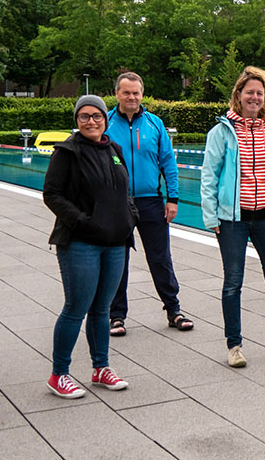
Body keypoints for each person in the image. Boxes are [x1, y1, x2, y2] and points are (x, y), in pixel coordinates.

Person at [201, 66, 265, 367]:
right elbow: (209, 175)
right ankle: (234, 345)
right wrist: (211, 217)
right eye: (250, 92)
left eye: (260, 93)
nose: (255, 97)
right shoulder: (222, 131)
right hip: (233, 218)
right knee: (233, 282)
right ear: (239, 94)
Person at [42, 95, 137, 398]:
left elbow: (125, 191)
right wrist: (83, 222)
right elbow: (52, 194)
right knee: (76, 308)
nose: (91, 121)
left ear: (105, 119)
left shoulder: (113, 149)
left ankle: (101, 368)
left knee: (102, 310)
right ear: (77, 120)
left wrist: (130, 218)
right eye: (84, 116)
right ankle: (59, 374)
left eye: (96, 115)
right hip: (81, 243)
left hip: (115, 243)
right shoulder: (67, 152)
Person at [106, 72, 193, 337]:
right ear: (117, 94)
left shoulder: (155, 124)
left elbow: (168, 163)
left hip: (151, 201)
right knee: (117, 261)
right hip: (116, 203)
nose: (131, 97)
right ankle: (116, 316)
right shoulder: (106, 123)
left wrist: (173, 199)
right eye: (126, 92)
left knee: (160, 258)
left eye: (136, 93)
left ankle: (173, 309)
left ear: (142, 94)